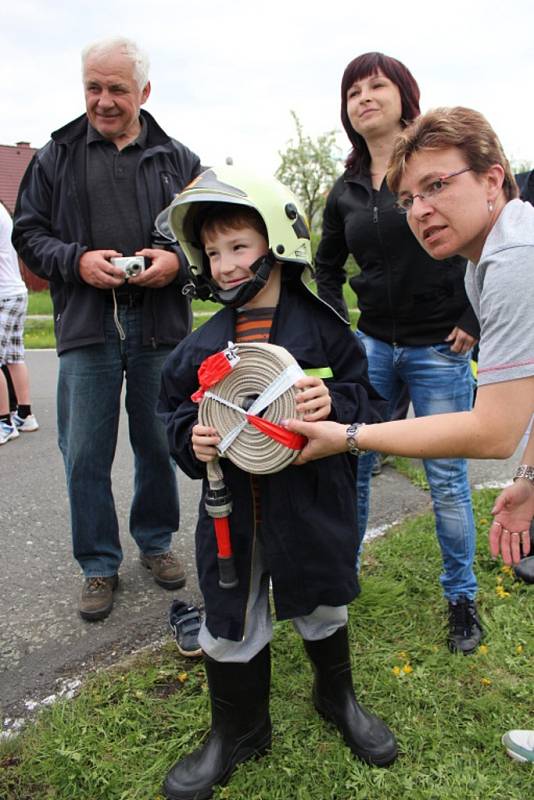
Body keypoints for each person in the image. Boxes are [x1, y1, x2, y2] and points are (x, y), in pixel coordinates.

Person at [157, 166, 397, 800]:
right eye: (213, 252)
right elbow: (174, 412)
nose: (227, 264)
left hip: (308, 502)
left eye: (239, 246)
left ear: (276, 244)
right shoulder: (200, 345)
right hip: (229, 510)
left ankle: (336, 697)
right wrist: (193, 437)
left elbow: (370, 404)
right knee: (230, 613)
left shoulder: (323, 328)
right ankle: (237, 730)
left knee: (320, 598)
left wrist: (334, 404)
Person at [285, 106, 534, 574]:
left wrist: (350, 435)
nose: (419, 211)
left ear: (492, 179)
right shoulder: (486, 259)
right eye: (407, 199)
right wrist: (531, 478)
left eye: (437, 185)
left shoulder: (514, 259)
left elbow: (493, 433)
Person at [12, 37, 202, 627]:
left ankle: (155, 541)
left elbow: (210, 235)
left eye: (117, 88)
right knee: (84, 454)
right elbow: (28, 233)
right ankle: (98, 561)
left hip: (159, 324)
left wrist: (175, 262)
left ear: (144, 92)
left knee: (158, 444)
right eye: (94, 87)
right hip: (88, 324)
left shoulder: (180, 159)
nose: (104, 100)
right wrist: (75, 261)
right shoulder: (56, 156)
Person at [314, 53, 481, 655]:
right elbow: (325, 269)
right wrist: (342, 334)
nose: (364, 97)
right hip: (373, 352)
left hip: (439, 347)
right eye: (352, 90)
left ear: (403, 93)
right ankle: (343, 584)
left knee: (447, 477)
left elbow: (479, 234)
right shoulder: (346, 190)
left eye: (376, 85)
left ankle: (461, 597)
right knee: (353, 467)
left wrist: (472, 315)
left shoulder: (435, 165)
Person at [0, 201, 39, 444]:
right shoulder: (3, 211)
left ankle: (4, 422)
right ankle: (24, 414)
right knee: (14, 355)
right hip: (14, 291)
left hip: (3, 294)